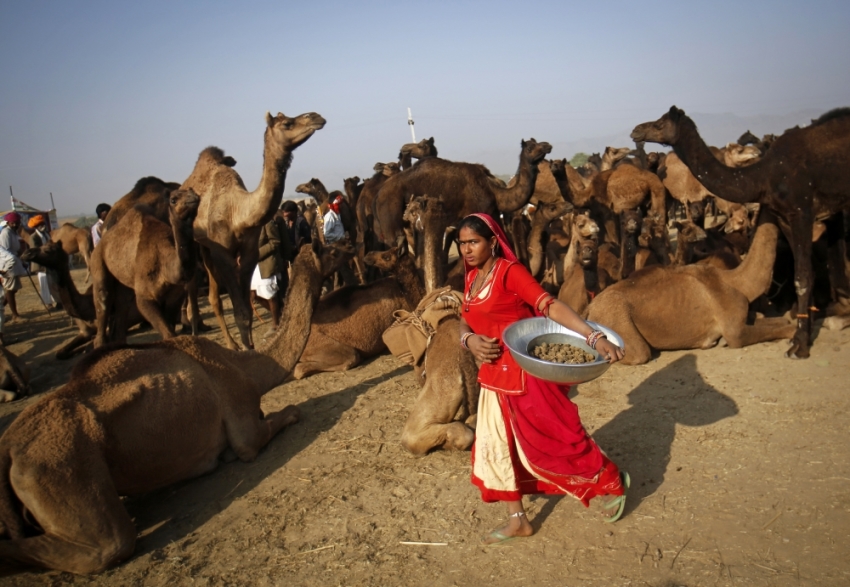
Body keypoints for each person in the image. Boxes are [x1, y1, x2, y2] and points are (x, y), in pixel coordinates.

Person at [456, 213, 628, 545]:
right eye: (462, 243)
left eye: (473, 242)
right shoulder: (472, 278)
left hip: (525, 374)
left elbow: (550, 306)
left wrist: (593, 338)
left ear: (492, 241)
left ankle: (610, 481)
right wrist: (469, 341)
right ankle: (517, 519)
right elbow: (465, 319)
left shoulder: (510, 272)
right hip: (493, 378)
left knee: (556, 438)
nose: (467, 249)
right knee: (496, 446)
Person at [250, 218, 286, 333]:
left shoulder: (267, 223)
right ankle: (281, 314)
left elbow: (275, 242)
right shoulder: (249, 224)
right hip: (253, 265)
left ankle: (276, 324)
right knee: (254, 294)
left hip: (267, 262)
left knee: (270, 295)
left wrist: (257, 254)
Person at [0, 213, 29, 322]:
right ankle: (15, 315)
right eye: (14, 223)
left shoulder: (12, 233)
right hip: (8, 265)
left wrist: (21, 261)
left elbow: (16, 250)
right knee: (10, 290)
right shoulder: (5, 233)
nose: (16, 225)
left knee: (14, 290)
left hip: (15, 263)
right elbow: (5, 252)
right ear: (8, 223)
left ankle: (1, 308)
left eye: (17, 223)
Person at [28, 215, 56, 309]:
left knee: (52, 283)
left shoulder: (46, 234)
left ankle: (58, 301)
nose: (43, 225)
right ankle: (48, 304)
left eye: (43, 223)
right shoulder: (33, 237)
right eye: (41, 224)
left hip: (48, 262)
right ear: (37, 226)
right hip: (40, 264)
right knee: (44, 284)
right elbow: (35, 250)